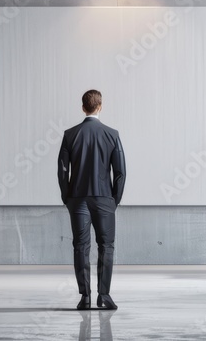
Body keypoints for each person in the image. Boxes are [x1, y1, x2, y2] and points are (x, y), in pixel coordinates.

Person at [58, 89, 126, 310]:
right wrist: (114, 200)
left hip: (77, 199)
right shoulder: (112, 134)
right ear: (100, 106)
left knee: (80, 246)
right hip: (104, 198)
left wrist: (67, 197)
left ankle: (85, 297)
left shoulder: (70, 134)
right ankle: (104, 296)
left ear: (83, 107)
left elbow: (62, 170)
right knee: (106, 246)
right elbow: (120, 172)